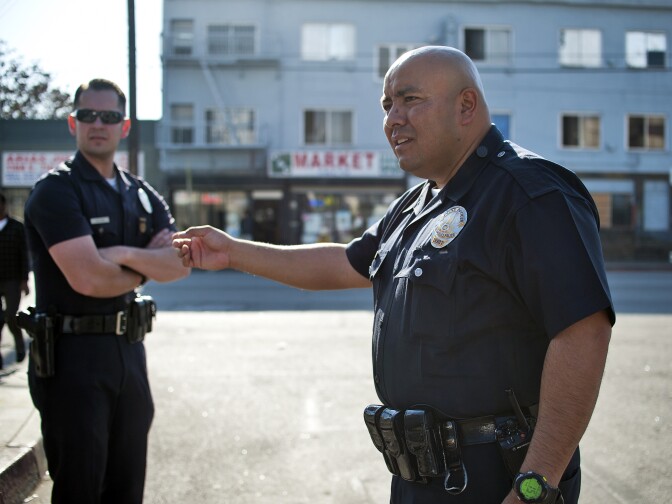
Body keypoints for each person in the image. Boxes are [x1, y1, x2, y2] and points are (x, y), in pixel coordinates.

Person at [173, 46, 614, 504]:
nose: (392, 119)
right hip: (420, 474)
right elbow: (343, 262)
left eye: (410, 100)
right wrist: (235, 252)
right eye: (387, 105)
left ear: (466, 106)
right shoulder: (415, 206)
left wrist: (536, 487)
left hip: (497, 474)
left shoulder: (530, 193)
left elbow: (583, 334)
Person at [23, 78, 190, 504]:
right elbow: (89, 279)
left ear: (125, 125)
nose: (99, 123)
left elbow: (178, 263)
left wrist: (115, 253)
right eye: (88, 115)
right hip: (72, 360)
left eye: (110, 116)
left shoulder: (143, 195)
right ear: (72, 122)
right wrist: (142, 263)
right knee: (80, 485)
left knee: (127, 485)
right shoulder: (56, 191)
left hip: (129, 354)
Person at [0, 191, 30, 370]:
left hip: (12, 278)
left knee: (11, 316)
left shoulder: (16, 227)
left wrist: (24, 280)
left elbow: (24, 255)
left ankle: (19, 345)